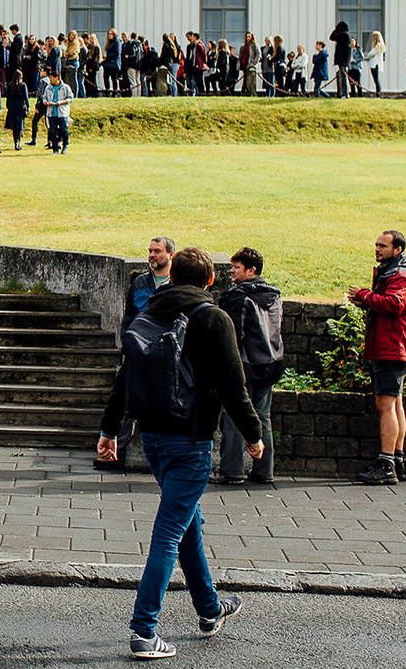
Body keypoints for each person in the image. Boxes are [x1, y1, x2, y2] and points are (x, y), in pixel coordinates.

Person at [97, 247, 263, 660]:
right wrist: (253, 435)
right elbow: (233, 385)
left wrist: (109, 429)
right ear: (210, 281)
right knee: (169, 531)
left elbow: (125, 375)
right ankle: (143, 630)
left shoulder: (149, 313)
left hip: (152, 437)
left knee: (189, 522)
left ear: (172, 274)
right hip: (191, 439)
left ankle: (209, 610)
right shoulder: (212, 317)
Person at [346, 229, 406, 486]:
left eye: (383, 246)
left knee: (386, 404)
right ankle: (397, 457)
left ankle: (386, 462)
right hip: (395, 346)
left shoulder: (401, 274)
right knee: (396, 402)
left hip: (392, 347)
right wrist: (368, 301)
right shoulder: (397, 271)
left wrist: (364, 295)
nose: (377, 249)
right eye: (376, 244)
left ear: (397, 249)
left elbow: (393, 304)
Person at [96, 236, 177, 472]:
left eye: (157, 251)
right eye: (150, 251)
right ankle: (115, 452)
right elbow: (130, 314)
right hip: (138, 350)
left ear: (171, 254)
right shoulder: (140, 282)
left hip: (164, 353)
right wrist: (128, 341)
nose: (152, 255)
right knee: (127, 396)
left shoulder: (176, 284)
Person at [215, 248, 284, 487]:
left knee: (233, 415)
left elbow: (232, 334)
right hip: (270, 363)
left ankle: (232, 470)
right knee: (262, 417)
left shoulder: (239, 297)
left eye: (236, 267)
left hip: (244, 364)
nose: (231, 271)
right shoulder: (273, 296)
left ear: (251, 270)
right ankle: (264, 470)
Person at [42, 70, 72, 154]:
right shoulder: (48, 88)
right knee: (53, 131)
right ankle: (55, 149)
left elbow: (70, 98)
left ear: (57, 78)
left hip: (62, 113)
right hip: (51, 112)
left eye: (51, 78)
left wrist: (62, 102)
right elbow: (44, 98)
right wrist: (46, 102)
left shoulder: (65, 87)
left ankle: (65, 145)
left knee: (64, 130)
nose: (50, 80)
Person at [330, 20, 354, 98]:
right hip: (345, 60)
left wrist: (335, 30)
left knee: (343, 77)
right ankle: (345, 93)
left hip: (342, 60)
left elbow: (332, 37)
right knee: (343, 76)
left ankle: (345, 93)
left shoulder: (343, 35)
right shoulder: (348, 35)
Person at [364, 31, 386, 97]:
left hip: (375, 64)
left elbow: (371, 53)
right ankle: (378, 92)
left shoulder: (378, 45)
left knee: (376, 79)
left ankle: (378, 93)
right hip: (375, 64)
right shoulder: (378, 45)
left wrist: (367, 55)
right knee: (376, 79)